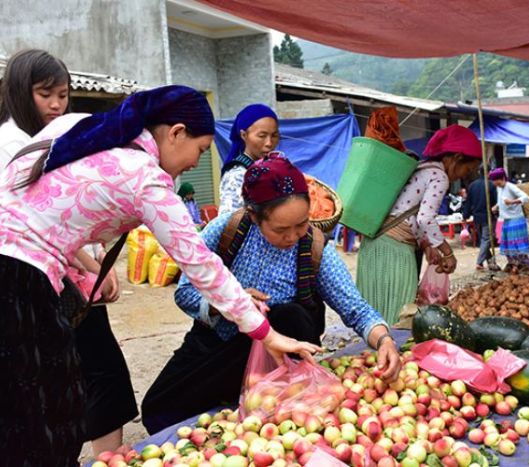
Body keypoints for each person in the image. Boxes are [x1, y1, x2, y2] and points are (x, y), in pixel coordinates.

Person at [0, 85, 318, 465]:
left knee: (31, 401)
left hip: (24, 271)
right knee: (42, 411)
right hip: (20, 280)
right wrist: (265, 333)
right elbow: (200, 265)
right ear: (176, 132)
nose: (195, 164)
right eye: (200, 150)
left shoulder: (79, 127)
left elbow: (35, 200)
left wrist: (80, 270)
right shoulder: (145, 178)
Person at [142, 155, 401, 433]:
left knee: (290, 314)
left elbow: (355, 308)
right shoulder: (229, 229)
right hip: (220, 347)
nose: (293, 236)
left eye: (301, 224)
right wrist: (229, 303)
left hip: (281, 361)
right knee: (158, 409)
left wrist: (384, 339)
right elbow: (185, 292)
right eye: (281, 229)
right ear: (254, 216)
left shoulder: (313, 247)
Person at [0, 49, 138, 456]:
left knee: (79, 373)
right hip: (36, 278)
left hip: (58, 275)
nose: (57, 104)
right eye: (46, 94)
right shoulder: (13, 145)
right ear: (20, 92)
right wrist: (93, 265)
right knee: (89, 372)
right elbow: (39, 219)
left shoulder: (41, 137)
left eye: (63, 94)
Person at [357, 124, 481, 325]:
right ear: (457, 158)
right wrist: (447, 252)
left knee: (374, 315)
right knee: (399, 315)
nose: (464, 175)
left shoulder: (421, 168)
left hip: (375, 246)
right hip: (394, 251)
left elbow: (409, 213)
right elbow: (425, 218)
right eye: (468, 169)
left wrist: (427, 245)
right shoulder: (439, 176)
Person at [219, 104, 279, 217]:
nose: (269, 143)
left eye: (274, 136)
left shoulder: (270, 168)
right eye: (262, 136)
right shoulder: (237, 175)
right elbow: (228, 224)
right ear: (244, 135)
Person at [489, 168, 529, 272]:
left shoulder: (510, 186)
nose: (493, 183)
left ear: (501, 178)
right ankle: (514, 266)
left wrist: (512, 202)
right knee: (506, 246)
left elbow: (526, 197)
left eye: (495, 180)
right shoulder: (499, 188)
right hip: (503, 219)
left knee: (517, 248)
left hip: (515, 219)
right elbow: (501, 201)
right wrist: (496, 206)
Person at [463, 169, 499, 271]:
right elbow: (496, 201)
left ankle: (491, 262)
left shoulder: (472, 185)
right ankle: (479, 262)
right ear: (489, 173)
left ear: (480, 172)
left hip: (477, 217)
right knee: (486, 240)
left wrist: (465, 215)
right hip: (487, 216)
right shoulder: (491, 185)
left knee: (484, 240)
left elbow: (468, 202)